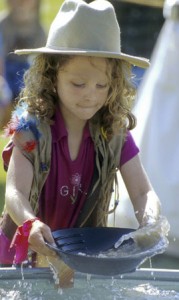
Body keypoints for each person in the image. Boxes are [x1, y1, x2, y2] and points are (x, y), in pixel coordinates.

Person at [0, 0, 163, 285]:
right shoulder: (31, 132)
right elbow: (14, 193)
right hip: (24, 255)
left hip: (83, 254)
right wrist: (30, 222)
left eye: (102, 86)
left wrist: (150, 221)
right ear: (51, 77)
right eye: (78, 84)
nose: (91, 95)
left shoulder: (112, 133)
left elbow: (142, 192)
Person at [0, 0, 46, 129]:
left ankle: (26, 122)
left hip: (25, 69)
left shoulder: (38, 28)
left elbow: (41, 59)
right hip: (5, 69)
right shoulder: (3, 24)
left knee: (31, 90)